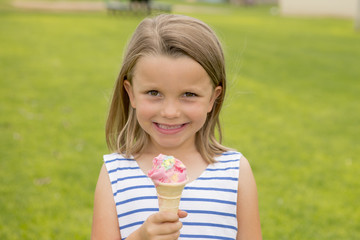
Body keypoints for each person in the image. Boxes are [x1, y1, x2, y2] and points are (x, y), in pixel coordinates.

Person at [91, 14, 262, 240]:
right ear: (130, 93)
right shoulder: (115, 174)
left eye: (189, 95)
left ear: (213, 98)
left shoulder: (235, 171)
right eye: (154, 93)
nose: (170, 112)